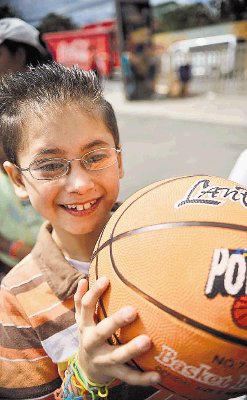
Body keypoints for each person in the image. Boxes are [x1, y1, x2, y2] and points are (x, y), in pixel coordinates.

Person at [0, 62, 161, 400]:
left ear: (119, 159)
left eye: (95, 156)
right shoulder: (14, 300)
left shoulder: (167, 236)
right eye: (50, 165)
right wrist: (86, 376)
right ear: (17, 180)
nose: (80, 183)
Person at [0, 17, 52, 278]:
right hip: (12, 261)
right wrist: (11, 247)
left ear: (20, 53)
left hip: (59, 248)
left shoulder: (54, 106)